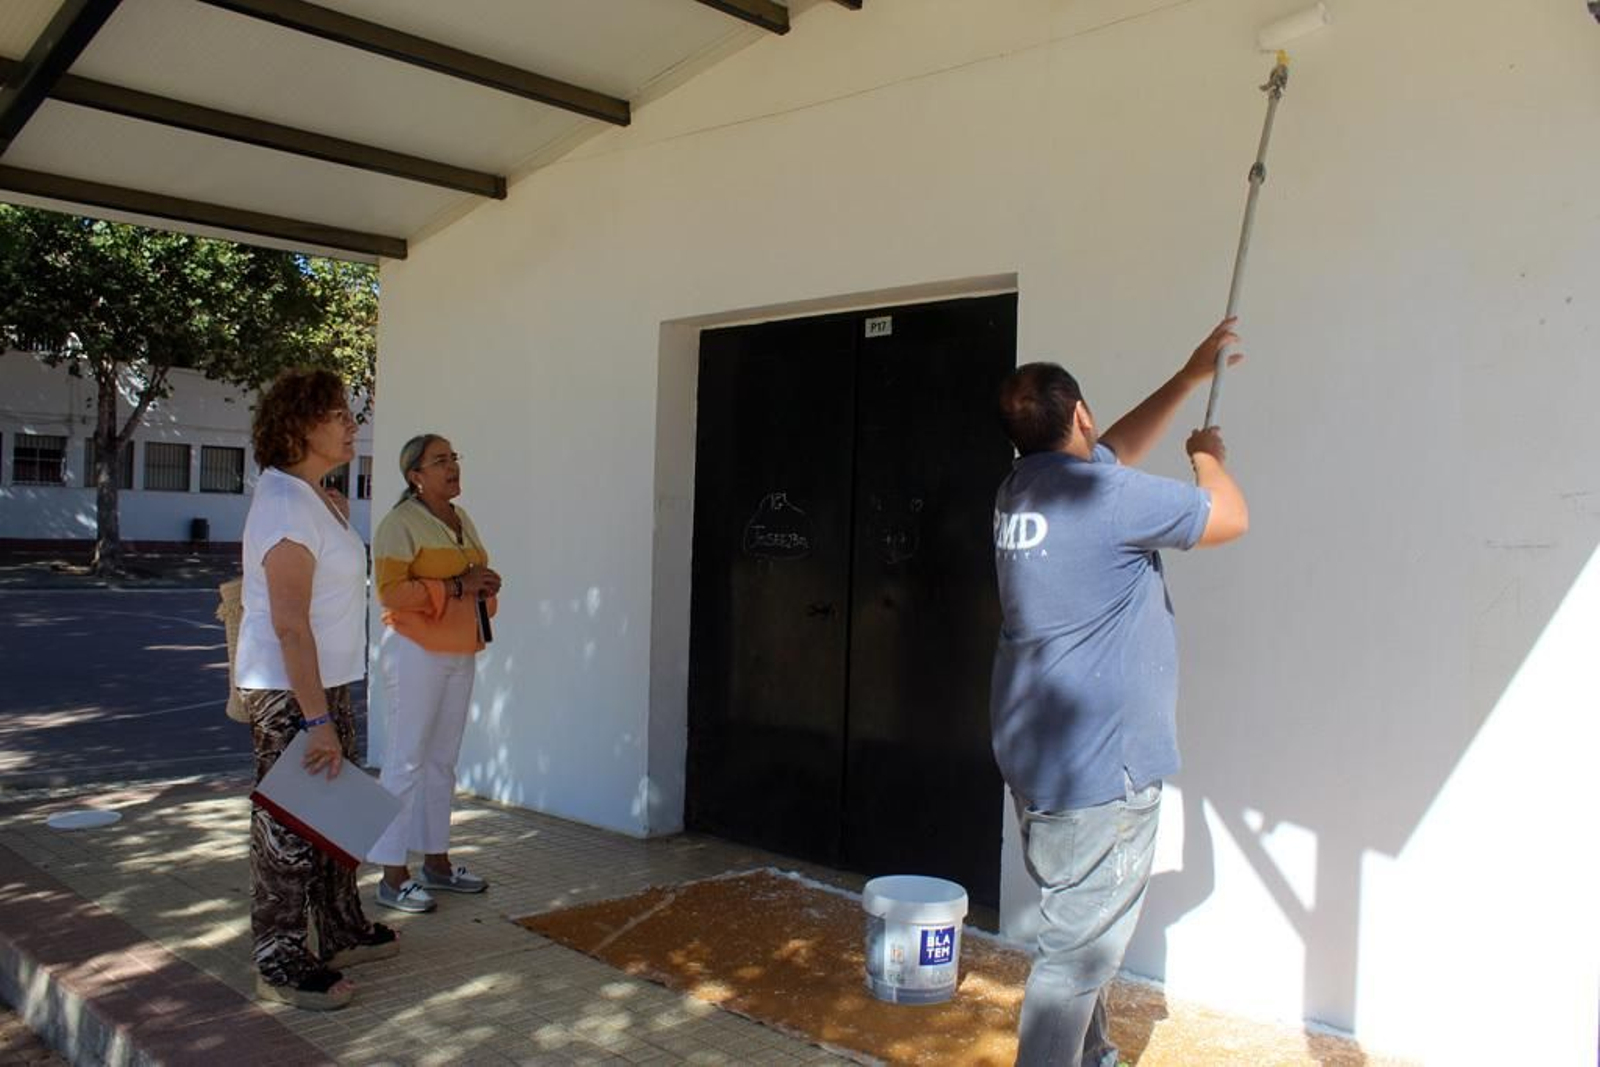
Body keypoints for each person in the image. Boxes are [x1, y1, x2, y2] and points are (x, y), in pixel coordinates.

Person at [990, 319, 1250, 1067]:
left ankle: (1092, 1055)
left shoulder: (1021, 491)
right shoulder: (1105, 497)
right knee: (1074, 959)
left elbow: (1113, 453)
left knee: (1079, 931)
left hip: (1042, 766)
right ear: (1079, 413)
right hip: (1105, 775)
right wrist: (1206, 460)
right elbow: (1229, 517)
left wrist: (1187, 374)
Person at [237, 368, 397, 1011]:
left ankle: (338, 927)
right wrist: (315, 721)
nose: (351, 422)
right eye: (336, 414)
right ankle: (278, 955)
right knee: (289, 827)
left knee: (335, 814)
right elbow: (287, 623)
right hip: (288, 691)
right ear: (299, 426)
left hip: (326, 683)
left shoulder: (313, 497)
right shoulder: (281, 503)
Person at [367, 434, 501, 913]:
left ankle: (437, 864)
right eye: (440, 461)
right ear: (415, 476)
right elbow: (390, 592)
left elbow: (468, 577)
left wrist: (483, 583)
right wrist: (456, 585)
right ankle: (391, 874)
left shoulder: (459, 518)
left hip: (459, 647)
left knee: (443, 759)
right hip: (414, 649)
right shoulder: (398, 524)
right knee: (406, 761)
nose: (452, 467)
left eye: (454, 458)